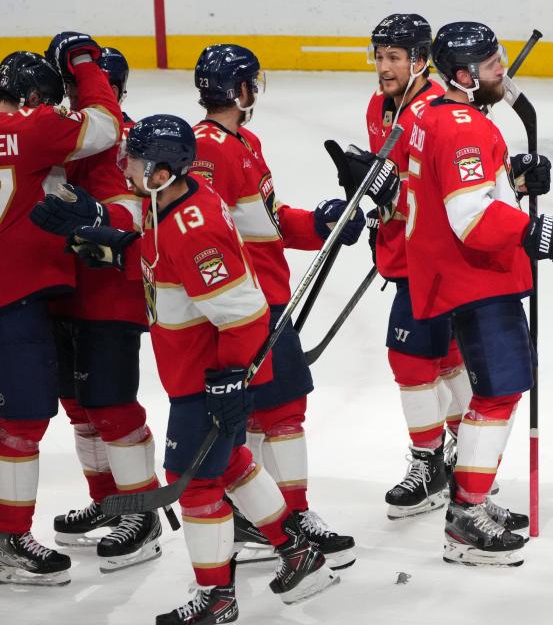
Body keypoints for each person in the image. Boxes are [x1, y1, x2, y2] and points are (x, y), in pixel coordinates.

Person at [84, 113, 338, 621]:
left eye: (133, 160)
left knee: (192, 481)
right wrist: (118, 245)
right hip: (194, 375)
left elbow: (244, 313)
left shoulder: (192, 229)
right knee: (233, 465)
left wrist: (229, 381)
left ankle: (218, 597)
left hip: (208, 378)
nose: (125, 166)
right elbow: (168, 267)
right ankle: (298, 552)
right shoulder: (167, 202)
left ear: (159, 172)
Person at [400, 21, 553, 566]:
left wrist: (509, 182)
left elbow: (451, 189)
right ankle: (466, 515)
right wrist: (538, 231)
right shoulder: (465, 125)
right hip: (474, 276)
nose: (502, 72)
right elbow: (469, 219)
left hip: (455, 273)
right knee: (500, 390)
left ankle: (475, 493)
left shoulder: (432, 112)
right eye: (492, 66)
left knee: (493, 388)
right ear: (464, 75)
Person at [188, 43, 362, 569]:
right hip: (245, 303)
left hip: (266, 294)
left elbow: (263, 218)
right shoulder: (207, 150)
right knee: (262, 416)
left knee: (279, 410)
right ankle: (273, 515)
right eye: (251, 84)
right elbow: (210, 231)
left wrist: (320, 223)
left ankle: (282, 512)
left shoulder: (244, 141)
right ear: (240, 90)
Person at [31, 43, 165, 572]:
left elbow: (136, 211)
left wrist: (91, 210)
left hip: (111, 291)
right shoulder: (61, 132)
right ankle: (109, 502)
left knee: (110, 405)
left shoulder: (126, 139)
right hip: (63, 289)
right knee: (80, 408)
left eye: (80, 87)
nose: (72, 97)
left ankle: (142, 513)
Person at [0, 34, 123, 586]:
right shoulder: (33, 129)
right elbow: (105, 123)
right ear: (29, 97)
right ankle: (9, 540)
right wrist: (83, 64)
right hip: (13, 299)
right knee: (21, 426)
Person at [363, 13, 480, 520]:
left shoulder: (434, 111)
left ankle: (430, 462)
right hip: (402, 253)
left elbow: (445, 193)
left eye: (395, 58)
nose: (384, 68)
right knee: (447, 355)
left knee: (409, 361)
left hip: (435, 257)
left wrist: (394, 194)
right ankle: (467, 450)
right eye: (380, 57)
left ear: (419, 61)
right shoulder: (379, 107)